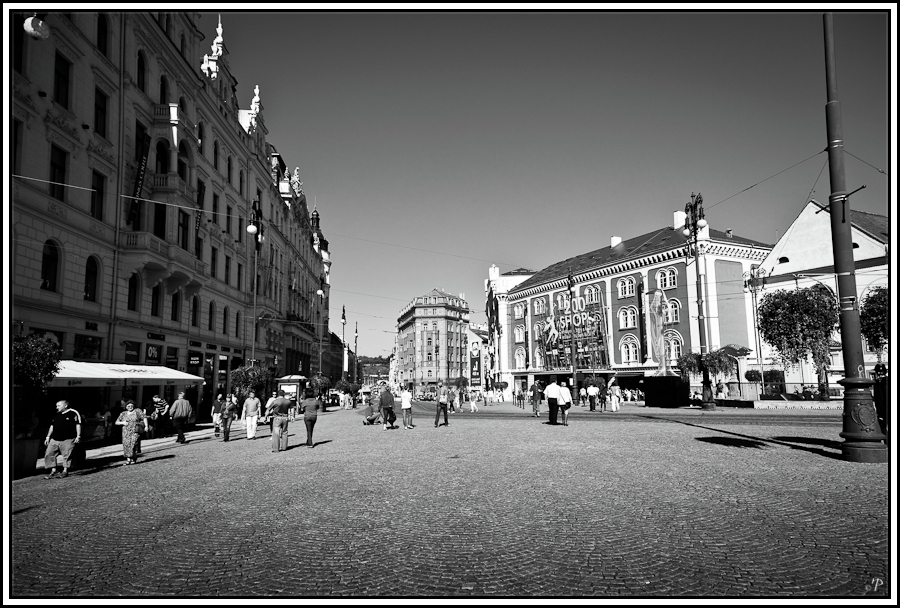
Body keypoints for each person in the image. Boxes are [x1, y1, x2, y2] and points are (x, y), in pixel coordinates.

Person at [43, 400, 82, 479]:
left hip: (68, 438)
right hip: (55, 438)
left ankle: (65, 470)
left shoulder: (73, 413)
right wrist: (48, 437)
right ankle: (54, 470)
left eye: (59, 405)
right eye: (56, 406)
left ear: (65, 405)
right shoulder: (57, 414)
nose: (57, 407)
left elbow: (78, 424)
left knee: (67, 455)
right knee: (49, 453)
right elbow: (52, 426)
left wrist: (78, 436)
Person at [114, 400, 145, 465]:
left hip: (135, 430)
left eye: (131, 406)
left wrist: (146, 426)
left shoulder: (137, 411)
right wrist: (123, 423)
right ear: (126, 407)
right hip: (126, 432)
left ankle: (134, 457)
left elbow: (144, 418)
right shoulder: (123, 413)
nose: (130, 407)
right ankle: (128, 459)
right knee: (126, 445)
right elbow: (116, 422)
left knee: (133, 444)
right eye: (128, 406)